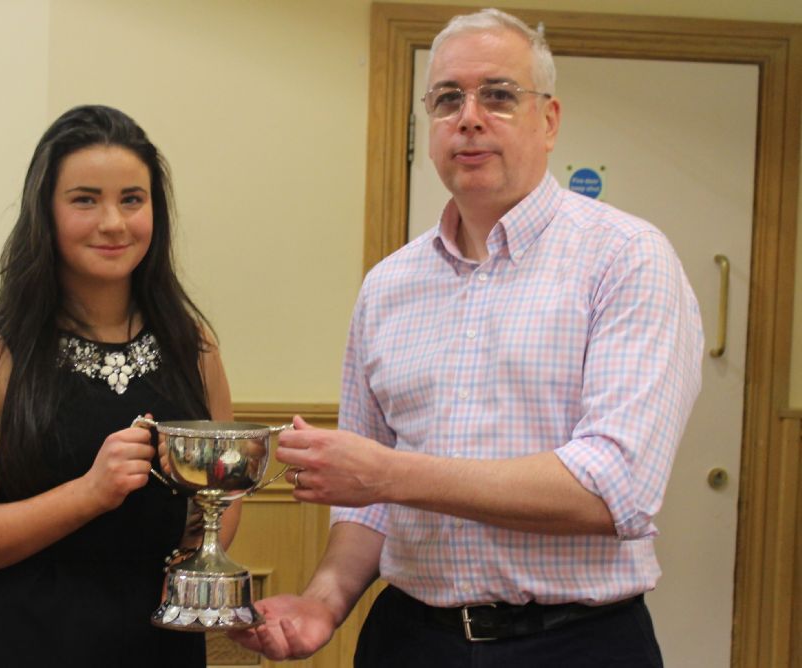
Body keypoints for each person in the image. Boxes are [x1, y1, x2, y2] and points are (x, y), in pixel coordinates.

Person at [229, 8, 702, 667]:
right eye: (448, 98)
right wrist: (324, 601)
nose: (470, 117)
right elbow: (368, 505)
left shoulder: (626, 258)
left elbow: (612, 488)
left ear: (549, 120)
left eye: (499, 95)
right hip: (410, 640)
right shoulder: (389, 285)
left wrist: (389, 474)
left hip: (575, 644)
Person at [0, 105, 236, 667]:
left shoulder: (193, 345)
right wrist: (88, 494)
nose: (113, 222)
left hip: (158, 647)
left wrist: (200, 544)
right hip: (23, 646)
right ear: (45, 212)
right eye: (85, 200)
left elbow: (222, 498)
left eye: (132, 200)